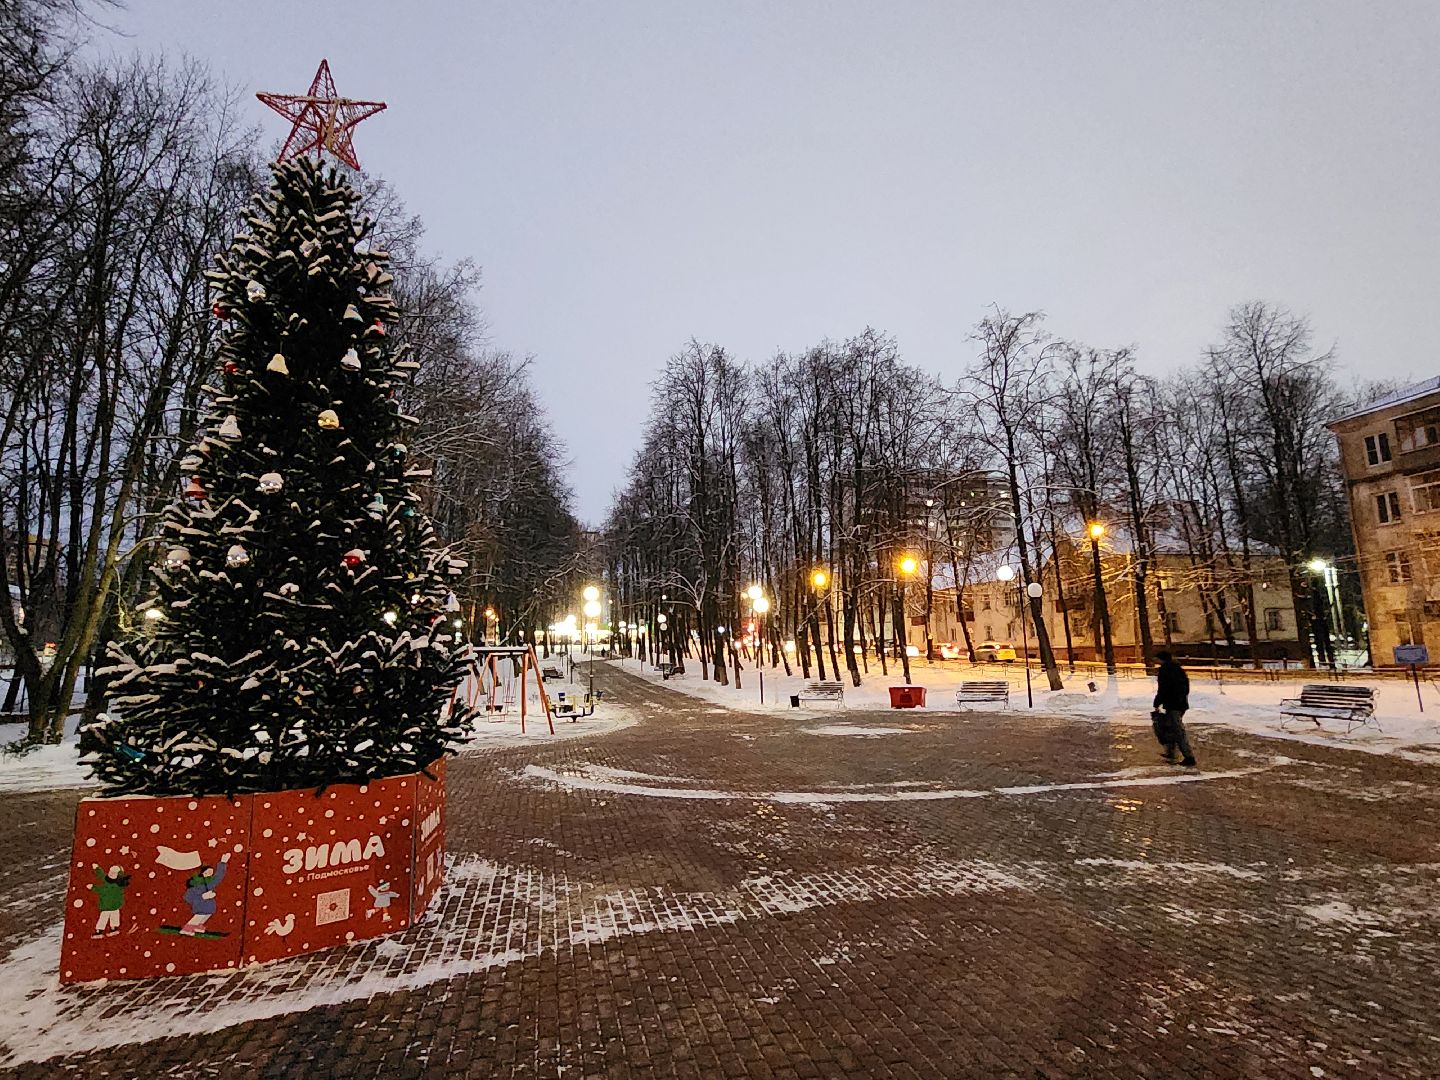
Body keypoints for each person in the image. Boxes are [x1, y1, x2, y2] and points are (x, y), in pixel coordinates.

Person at [1153, 650, 1196, 767]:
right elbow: (1186, 687)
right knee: (1170, 727)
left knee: (1177, 730)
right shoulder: (1178, 669)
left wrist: (1157, 702)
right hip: (1180, 703)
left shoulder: (1165, 670)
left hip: (1173, 704)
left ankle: (1189, 757)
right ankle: (1171, 752)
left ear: (1161, 659)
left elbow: (1163, 688)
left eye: (1156, 658)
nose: (1155, 660)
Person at [180, 851, 230, 935]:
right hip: (200, 903)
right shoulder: (197, 883)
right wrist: (203, 896)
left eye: (211, 873)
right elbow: (190, 895)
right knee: (200, 915)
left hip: (208, 904)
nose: (209, 874)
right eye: (207, 873)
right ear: (202, 873)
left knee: (207, 914)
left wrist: (222, 863)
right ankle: (187, 928)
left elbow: (218, 877)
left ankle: (198, 925)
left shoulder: (210, 882)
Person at [90, 864, 130, 937]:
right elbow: (102, 876)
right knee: (112, 916)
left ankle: (101, 930)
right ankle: (111, 929)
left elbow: (102, 890)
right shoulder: (116, 883)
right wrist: (97, 868)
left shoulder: (115, 886)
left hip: (108, 905)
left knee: (105, 917)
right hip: (113, 905)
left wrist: (93, 887)